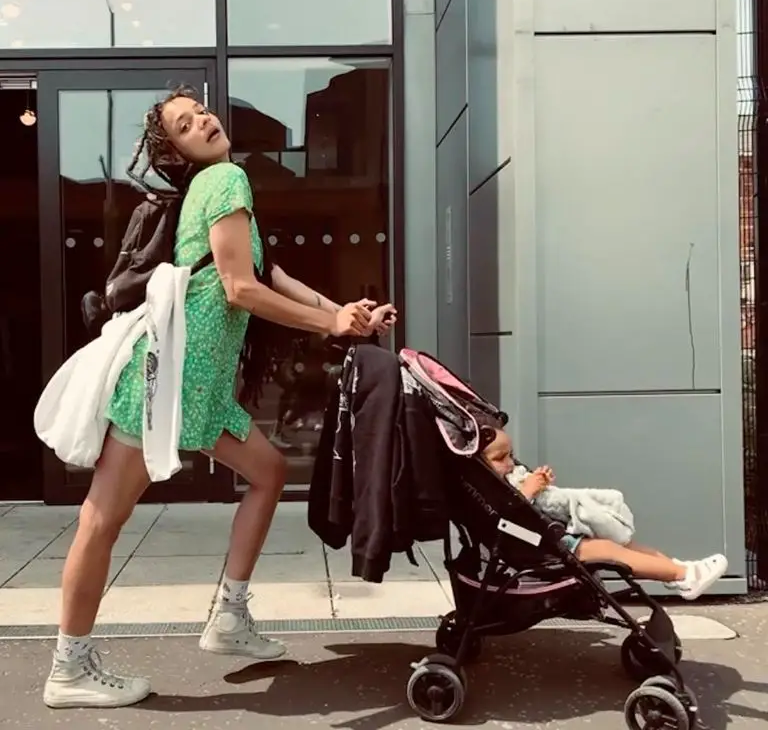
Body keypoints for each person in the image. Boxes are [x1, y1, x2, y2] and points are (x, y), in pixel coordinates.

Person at [42, 86, 396, 710]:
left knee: (267, 472)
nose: (202, 121)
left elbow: (270, 275)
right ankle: (68, 666)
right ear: (176, 152)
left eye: (200, 112)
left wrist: (343, 313)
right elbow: (239, 290)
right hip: (166, 384)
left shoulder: (220, 192)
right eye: (184, 124)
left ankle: (229, 618)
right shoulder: (225, 179)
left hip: (198, 388)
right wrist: (331, 326)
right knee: (101, 520)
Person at [480, 428, 728, 601]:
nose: (511, 463)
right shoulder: (488, 492)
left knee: (625, 544)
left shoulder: (505, 480)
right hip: (541, 546)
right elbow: (507, 514)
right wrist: (528, 490)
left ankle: (676, 568)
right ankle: (681, 575)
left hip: (553, 536)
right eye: (501, 458)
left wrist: (542, 488)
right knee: (611, 551)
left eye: (511, 454)